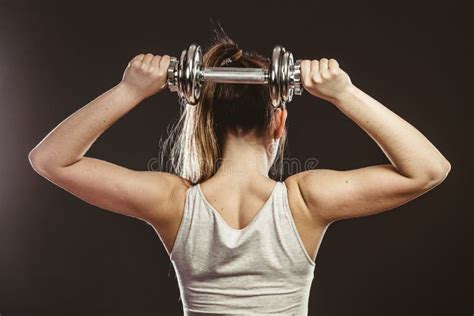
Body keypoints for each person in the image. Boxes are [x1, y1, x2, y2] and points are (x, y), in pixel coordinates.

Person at [28, 27, 451, 315]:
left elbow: (50, 159)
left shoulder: (173, 202)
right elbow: (429, 170)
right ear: (278, 122)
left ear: (202, 119)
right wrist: (344, 93)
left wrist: (129, 90)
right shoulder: (306, 200)